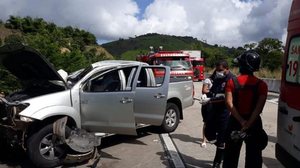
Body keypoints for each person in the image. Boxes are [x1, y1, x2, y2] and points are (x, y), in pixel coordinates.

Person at [223, 51, 268, 168]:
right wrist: (248, 124)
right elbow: (259, 108)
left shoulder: (231, 82)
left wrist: (242, 122)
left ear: (243, 65)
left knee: (230, 157)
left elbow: (228, 103)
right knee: (254, 158)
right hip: (254, 124)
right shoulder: (262, 85)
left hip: (235, 123)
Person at [200, 60, 234, 168]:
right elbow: (213, 91)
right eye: (217, 70)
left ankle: (217, 162)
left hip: (225, 112)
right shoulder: (217, 78)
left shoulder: (231, 79)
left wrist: (210, 99)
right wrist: (207, 95)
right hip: (214, 110)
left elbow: (226, 97)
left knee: (221, 139)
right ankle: (222, 147)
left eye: (220, 70)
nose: (218, 72)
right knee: (209, 133)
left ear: (227, 69)